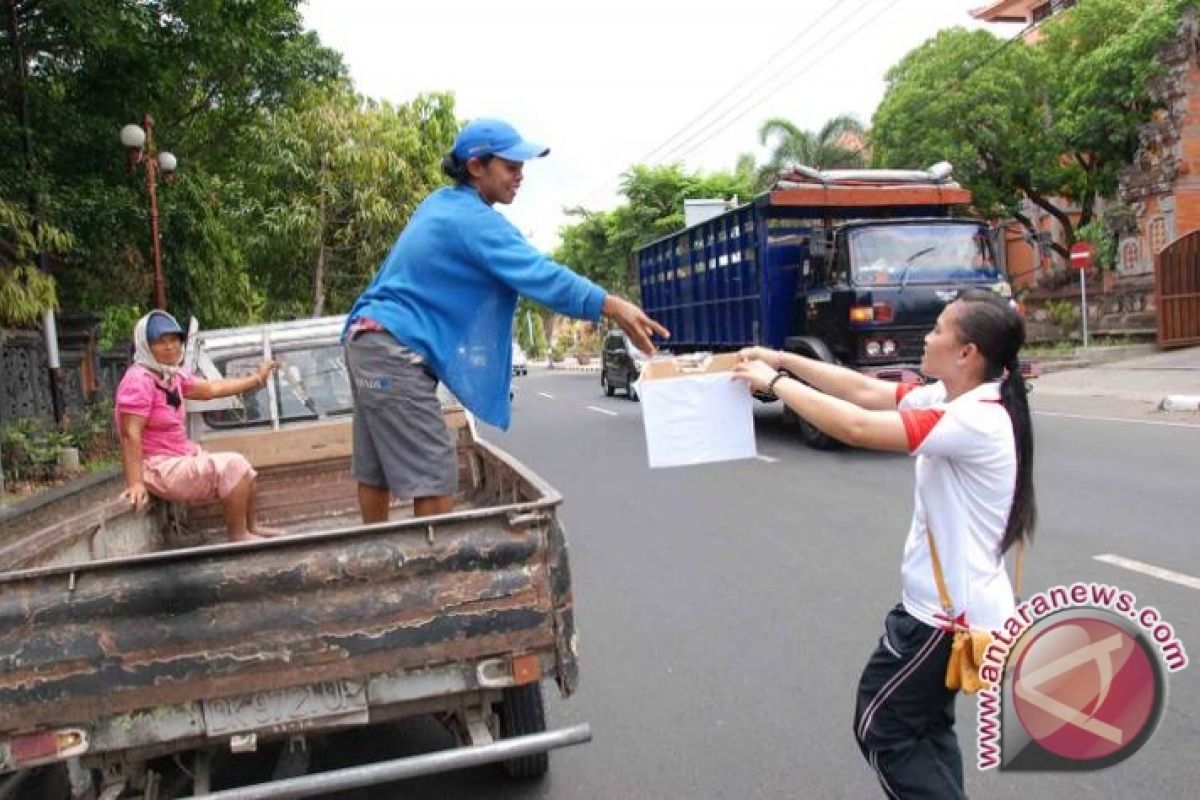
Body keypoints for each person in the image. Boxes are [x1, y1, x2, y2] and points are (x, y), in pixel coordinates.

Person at [731, 289, 1036, 799]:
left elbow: (856, 426)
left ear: (968, 354)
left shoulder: (974, 418)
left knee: (883, 728)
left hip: (942, 621)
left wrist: (776, 384)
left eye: (939, 329)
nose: (928, 336)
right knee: (923, 730)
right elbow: (866, 393)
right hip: (948, 612)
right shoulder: (956, 397)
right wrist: (782, 358)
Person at [342, 117, 668, 521]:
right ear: (476, 166)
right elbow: (540, 275)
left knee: (376, 469)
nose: (520, 177)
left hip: (367, 339)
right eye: (511, 167)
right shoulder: (473, 220)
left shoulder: (441, 203)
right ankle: (428, 574)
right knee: (434, 472)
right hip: (393, 346)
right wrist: (610, 304)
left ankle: (377, 559)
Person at [115, 310, 284, 543]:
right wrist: (135, 483)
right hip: (156, 466)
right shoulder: (138, 380)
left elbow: (212, 389)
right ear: (145, 345)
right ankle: (239, 535)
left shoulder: (171, 375)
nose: (170, 347)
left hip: (180, 455)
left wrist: (256, 379)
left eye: (174, 340)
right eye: (161, 342)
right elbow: (129, 433)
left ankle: (252, 527)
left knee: (246, 473)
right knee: (233, 464)